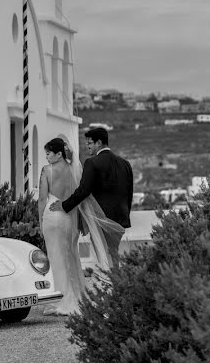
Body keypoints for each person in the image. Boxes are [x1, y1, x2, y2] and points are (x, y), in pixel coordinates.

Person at [50, 127, 133, 272]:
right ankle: (117, 286)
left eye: (89, 143)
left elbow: (83, 191)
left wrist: (64, 205)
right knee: (113, 254)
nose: (87, 147)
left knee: (105, 256)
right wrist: (125, 214)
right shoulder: (125, 163)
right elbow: (129, 193)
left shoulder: (92, 163)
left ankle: (112, 286)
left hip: (101, 219)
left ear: (99, 143)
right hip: (120, 219)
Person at [38, 137, 86, 315]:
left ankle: (62, 300)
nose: (47, 157)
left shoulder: (47, 171)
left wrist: (39, 220)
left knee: (56, 257)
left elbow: (42, 198)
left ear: (59, 154)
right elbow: (79, 196)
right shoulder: (74, 170)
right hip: (68, 217)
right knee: (70, 256)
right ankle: (76, 297)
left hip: (52, 216)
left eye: (49, 153)